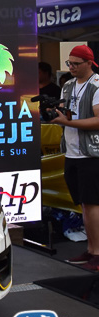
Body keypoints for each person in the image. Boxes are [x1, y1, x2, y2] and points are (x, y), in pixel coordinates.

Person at [49, 45, 99, 271]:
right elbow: (66, 113)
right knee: (83, 203)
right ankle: (91, 249)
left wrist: (67, 122)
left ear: (89, 63)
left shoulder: (96, 85)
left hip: (91, 153)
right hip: (71, 151)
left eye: (76, 64)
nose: (72, 67)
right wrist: (56, 114)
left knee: (93, 203)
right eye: (70, 63)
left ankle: (96, 252)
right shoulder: (68, 85)